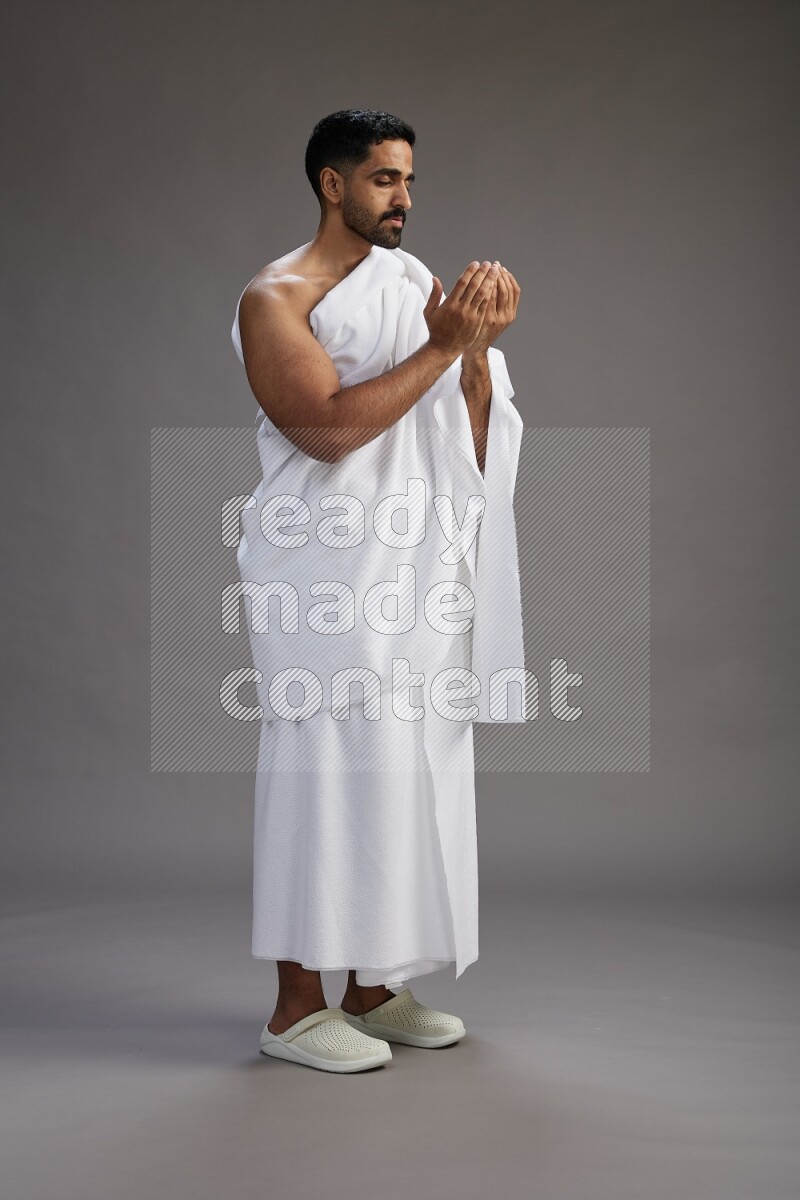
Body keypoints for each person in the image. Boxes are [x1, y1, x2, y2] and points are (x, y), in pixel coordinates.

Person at [231, 109, 524, 1073]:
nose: (404, 199)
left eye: (408, 182)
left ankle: (374, 988)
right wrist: (442, 348)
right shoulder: (274, 298)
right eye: (386, 181)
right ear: (332, 183)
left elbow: (465, 438)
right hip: (322, 575)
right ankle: (294, 1009)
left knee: (405, 772)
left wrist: (475, 352)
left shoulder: (411, 283)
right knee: (322, 773)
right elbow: (323, 430)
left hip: (411, 577)